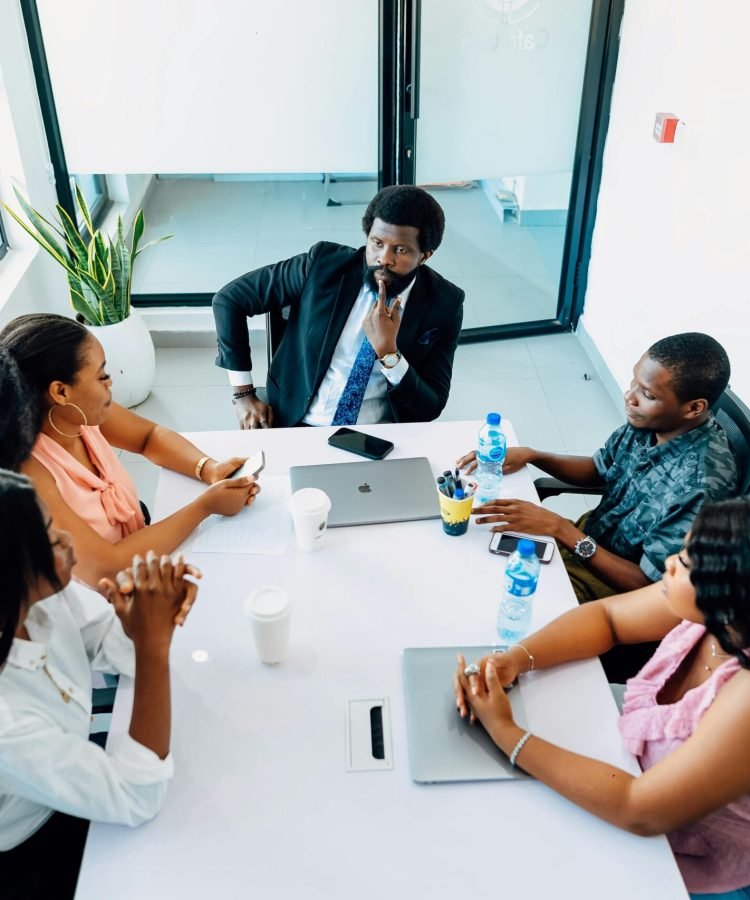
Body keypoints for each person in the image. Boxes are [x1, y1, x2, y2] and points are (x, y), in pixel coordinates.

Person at [454, 496, 750, 899]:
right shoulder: (722, 617)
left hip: (714, 862)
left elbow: (641, 809)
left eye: (686, 562)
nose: (670, 561)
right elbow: (609, 619)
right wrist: (517, 658)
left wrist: (507, 733)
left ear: (734, 599)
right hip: (640, 788)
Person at [0, 469, 199, 899]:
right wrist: (152, 648)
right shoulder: (6, 724)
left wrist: (143, 612)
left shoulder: (45, 593)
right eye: (53, 539)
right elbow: (135, 795)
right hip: (31, 845)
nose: (70, 540)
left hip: (78, 764)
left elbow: (107, 644)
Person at [458, 333, 738, 600]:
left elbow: (651, 587)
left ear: (693, 408)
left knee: (497, 596)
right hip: (585, 540)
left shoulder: (698, 487)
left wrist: (561, 530)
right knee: (474, 547)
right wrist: (535, 456)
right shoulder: (652, 422)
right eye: (634, 383)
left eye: (648, 395)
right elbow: (599, 469)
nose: (630, 397)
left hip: (612, 587)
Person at [0, 314, 260, 587]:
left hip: (143, 557)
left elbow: (149, 437)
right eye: (101, 375)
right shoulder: (30, 475)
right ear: (61, 392)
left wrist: (208, 468)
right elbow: (109, 568)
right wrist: (205, 506)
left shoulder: (79, 415)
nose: (110, 383)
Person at [213, 185, 465, 429]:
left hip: (379, 434)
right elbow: (229, 300)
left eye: (400, 250)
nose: (384, 259)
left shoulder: (445, 303)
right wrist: (244, 394)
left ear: (424, 255)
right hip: (297, 421)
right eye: (377, 243)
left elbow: (431, 406)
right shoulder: (322, 265)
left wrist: (389, 354)